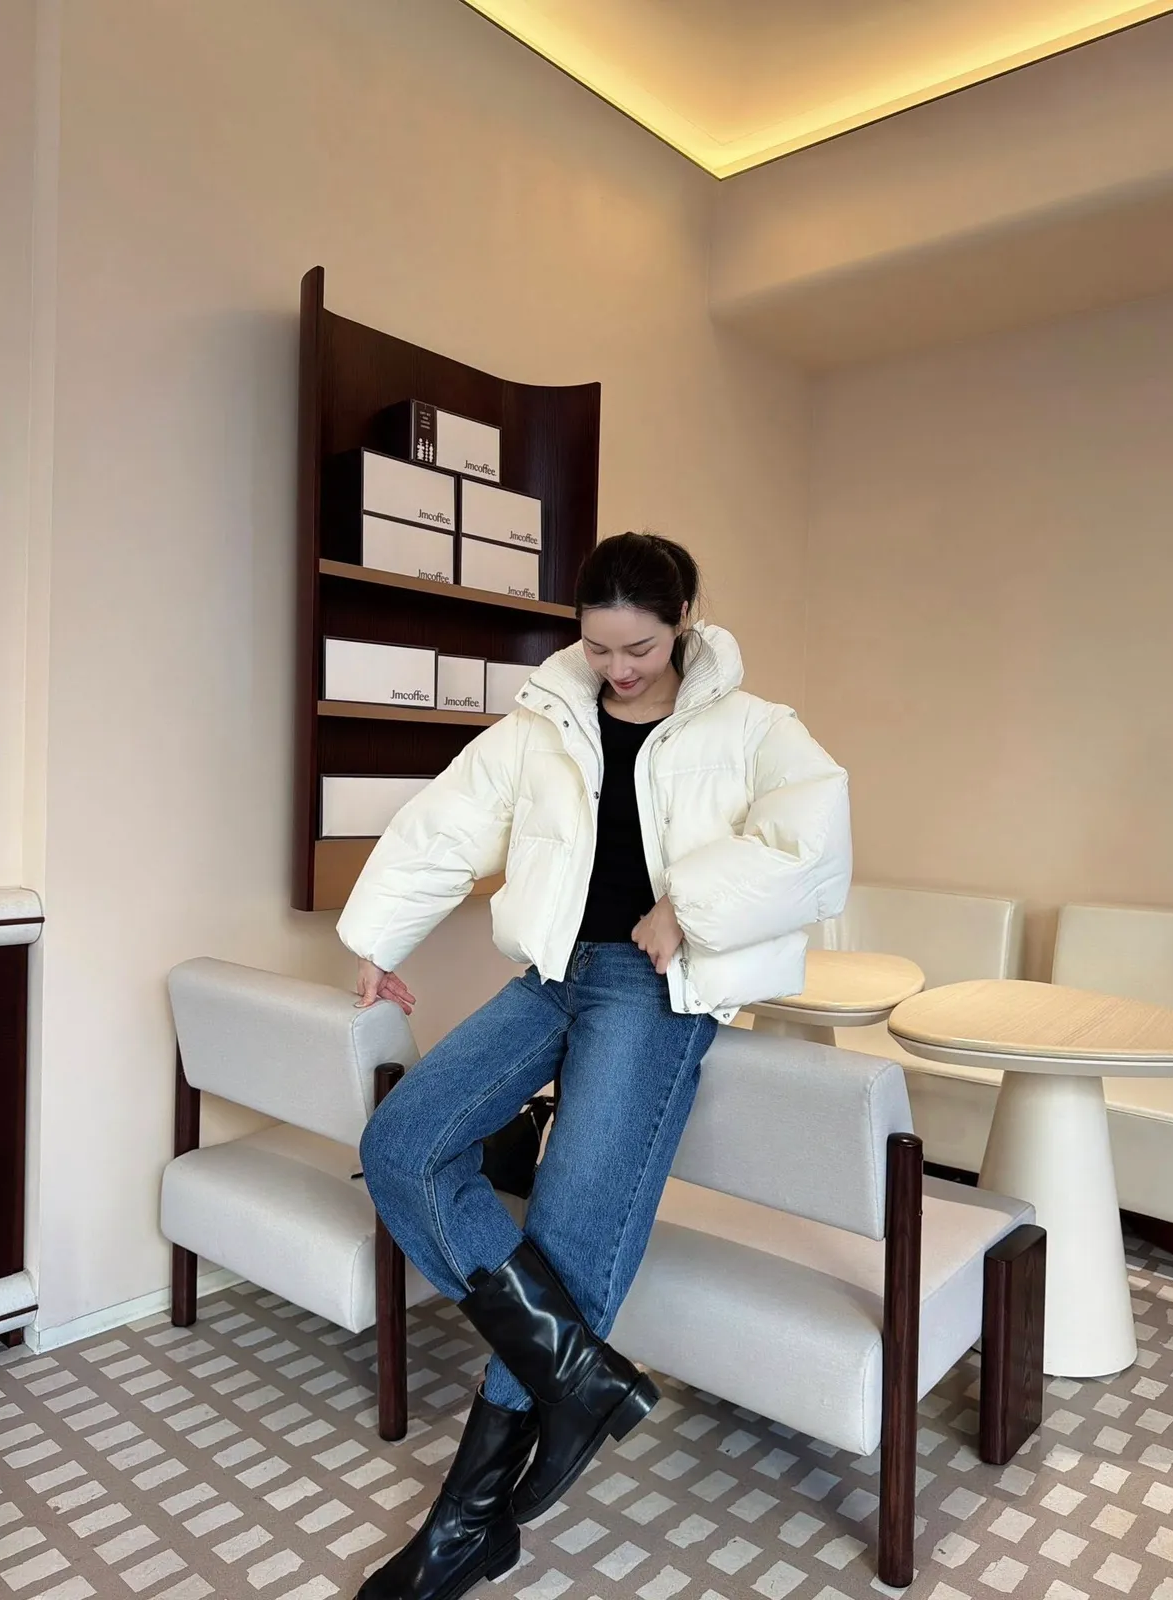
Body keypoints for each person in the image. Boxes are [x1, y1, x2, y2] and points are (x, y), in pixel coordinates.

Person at [337, 532, 852, 1600]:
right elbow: (450, 822)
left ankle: (465, 1526)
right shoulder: (545, 720)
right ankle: (577, 1378)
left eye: (641, 647)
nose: (619, 668)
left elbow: (814, 847)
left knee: (567, 1229)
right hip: (549, 971)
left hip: (651, 986)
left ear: (684, 620)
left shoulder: (756, 728)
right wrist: (378, 938)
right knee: (403, 1144)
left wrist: (687, 906)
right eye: (600, 645)